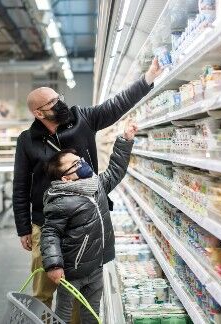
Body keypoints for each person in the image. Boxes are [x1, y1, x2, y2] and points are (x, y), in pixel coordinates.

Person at [13, 58, 162, 322]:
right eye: (52, 103)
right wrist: (24, 227)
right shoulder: (28, 140)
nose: (60, 104)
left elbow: (115, 106)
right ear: (38, 113)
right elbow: (21, 184)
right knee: (43, 290)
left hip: (84, 223)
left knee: (76, 292)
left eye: (59, 98)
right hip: (45, 223)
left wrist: (148, 77)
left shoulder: (82, 118)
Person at [40, 120, 138, 324]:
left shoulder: (95, 185)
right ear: (65, 178)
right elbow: (50, 233)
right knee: (64, 314)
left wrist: (125, 140)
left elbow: (115, 171)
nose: (82, 164)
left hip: (96, 266)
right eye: (75, 165)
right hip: (72, 271)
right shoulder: (59, 200)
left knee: (92, 314)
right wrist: (53, 265)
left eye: (80, 160)